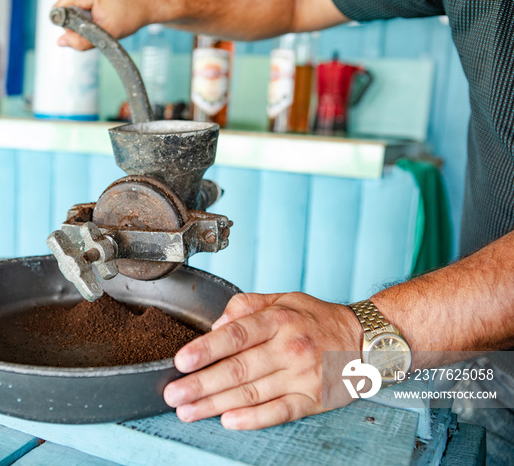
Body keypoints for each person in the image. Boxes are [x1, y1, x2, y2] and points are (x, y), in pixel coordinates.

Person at [54, 0, 514, 463]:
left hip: (461, 325)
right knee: (462, 444)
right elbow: (294, 7)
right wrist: (151, 5)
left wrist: (361, 335)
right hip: (467, 343)